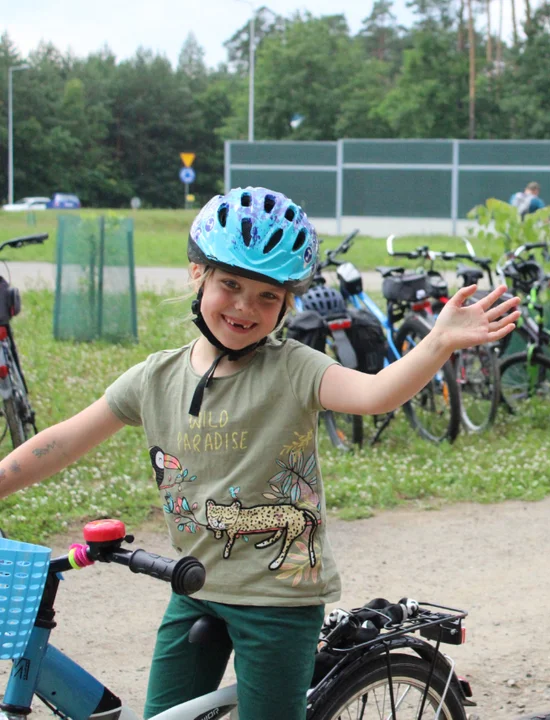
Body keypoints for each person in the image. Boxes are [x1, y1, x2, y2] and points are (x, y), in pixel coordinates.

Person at [0, 187, 520, 719]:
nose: (246, 306)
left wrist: (437, 343)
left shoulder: (294, 370)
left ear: (287, 303)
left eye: (267, 295)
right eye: (230, 284)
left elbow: (375, 394)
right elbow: (62, 440)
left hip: (279, 601)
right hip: (193, 584)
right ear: (196, 274)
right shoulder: (155, 378)